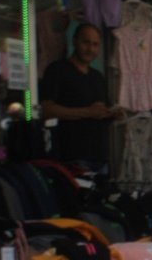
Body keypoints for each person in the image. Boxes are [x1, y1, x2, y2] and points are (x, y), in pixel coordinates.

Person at [38, 23, 121, 171]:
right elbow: (46, 109)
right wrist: (87, 112)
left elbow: (99, 111)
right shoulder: (57, 70)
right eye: (86, 43)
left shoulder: (97, 77)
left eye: (95, 45)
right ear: (75, 41)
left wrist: (112, 114)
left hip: (100, 157)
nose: (90, 49)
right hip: (71, 158)